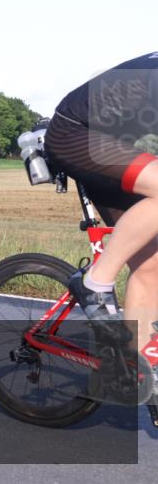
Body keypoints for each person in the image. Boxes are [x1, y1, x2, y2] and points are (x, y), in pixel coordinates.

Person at [44, 51, 158, 354]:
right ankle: (94, 282)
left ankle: (143, 373)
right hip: (75, 133)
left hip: (115, 143)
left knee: (151, 265)